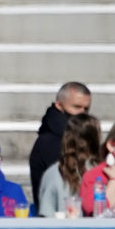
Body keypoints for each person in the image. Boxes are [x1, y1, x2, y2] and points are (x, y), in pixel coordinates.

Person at [29, 82, 92, 213]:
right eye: (76, 107)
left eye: (86, 109)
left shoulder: (77, 135)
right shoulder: (50, 141)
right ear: (59, 105)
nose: (82, 113)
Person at [37, 114, 100, 217]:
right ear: (96, 140)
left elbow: (46, 216)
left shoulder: (53, 173)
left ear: (66, 138)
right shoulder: (104, 170)